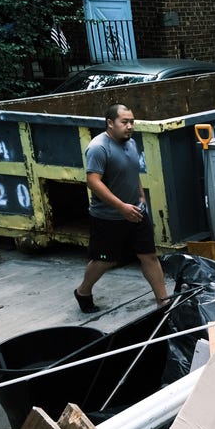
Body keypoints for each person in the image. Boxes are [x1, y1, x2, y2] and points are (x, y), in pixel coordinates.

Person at [74, 104, 169, 313]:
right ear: (110, 123)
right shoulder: (99, 147)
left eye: (132, 122)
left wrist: (141, 196)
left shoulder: (131, 143)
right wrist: (121, 206)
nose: (130, 126)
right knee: (105, 261)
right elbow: (93, 181)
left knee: (149, 256)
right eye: (124, 122)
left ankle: (163, 302)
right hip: (108, 216)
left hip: (136, 211)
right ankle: (83, 291)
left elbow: (132, 172)